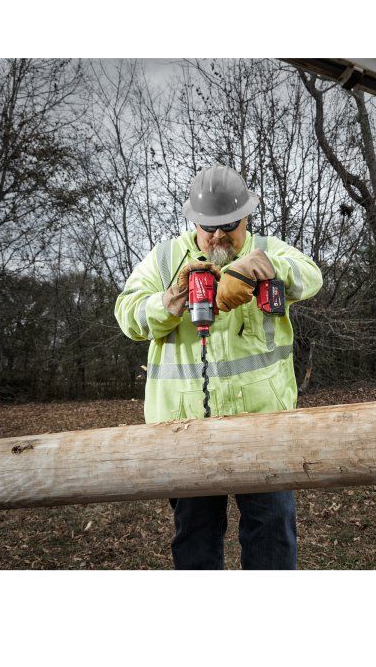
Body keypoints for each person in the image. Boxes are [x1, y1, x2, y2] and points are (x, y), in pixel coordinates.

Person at [114, 165, 323, 570]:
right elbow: (128, 316)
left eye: (229, 225)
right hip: (184, 430)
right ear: (194, 222)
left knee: (272, 534)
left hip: (264, 427)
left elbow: (311, 276)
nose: (218, 236)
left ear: (246, 217)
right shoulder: (165, 259)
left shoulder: (268, 248)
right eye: (208, 227)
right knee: (195, 540)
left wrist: (261, 268)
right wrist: (170, 301)